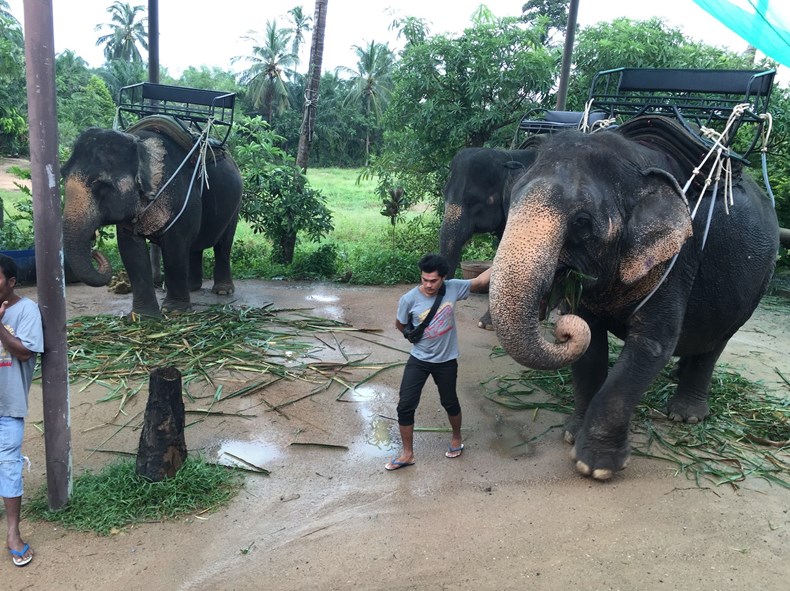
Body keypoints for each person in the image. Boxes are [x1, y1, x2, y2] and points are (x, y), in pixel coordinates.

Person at [385, 253, 492, 471]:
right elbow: (400, 323)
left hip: (446, 360)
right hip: (419, 359)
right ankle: (407, 454)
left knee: (450, 402)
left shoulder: (452, 288)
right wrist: (410, 335)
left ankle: (456, 438)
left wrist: (505, 258)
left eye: (433, 280)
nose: (428, 285)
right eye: (424, 279)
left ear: (443, 278)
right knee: (405, 406)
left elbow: (480, 281)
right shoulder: (409, 299)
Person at [0, 254, 43, 567]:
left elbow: (25, 352)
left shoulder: (26, 310)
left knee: (9, 465)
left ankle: (13, 532)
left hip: (8, 406)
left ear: (11, 282)